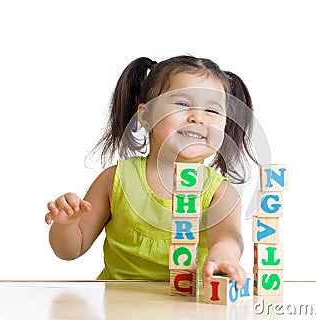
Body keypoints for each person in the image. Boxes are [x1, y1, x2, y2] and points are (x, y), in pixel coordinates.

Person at [45, 55, 258, 289]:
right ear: (145, 116)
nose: (198, 117)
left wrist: (224, 258)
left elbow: (228, 237)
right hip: (118, 307)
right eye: (183, 104)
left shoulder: (220, 192)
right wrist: (66, 225)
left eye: (212, 110)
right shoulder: (115, 179)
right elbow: (70, 251)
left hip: (188, 309)